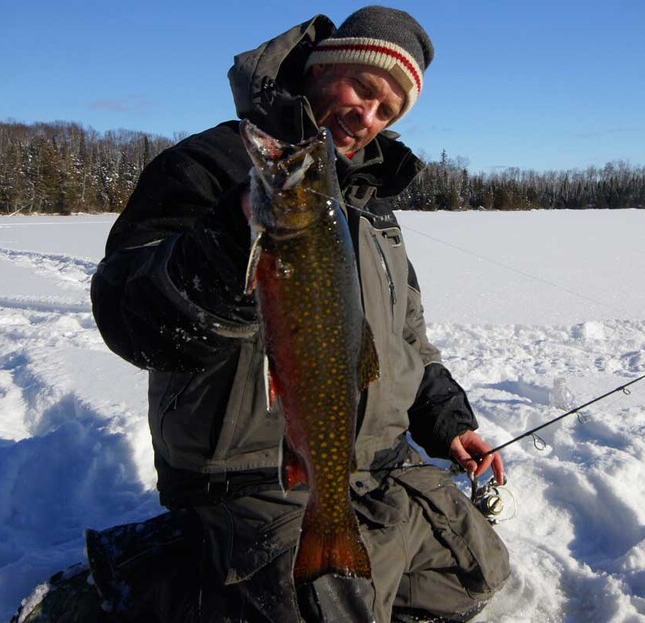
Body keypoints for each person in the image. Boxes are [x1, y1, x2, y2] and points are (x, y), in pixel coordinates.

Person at [84, 6, 510, 622]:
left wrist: (446, 421)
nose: (367, 116)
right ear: (321, 67)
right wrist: (235, 236)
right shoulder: (211, 168)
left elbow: (405, 337)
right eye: (363, 88)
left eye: (386, 110)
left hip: (367, 464)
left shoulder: (369, 203)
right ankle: (171, 572)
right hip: (247, 470)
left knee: (474, 572)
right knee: (329, 611)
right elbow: (131, 318)